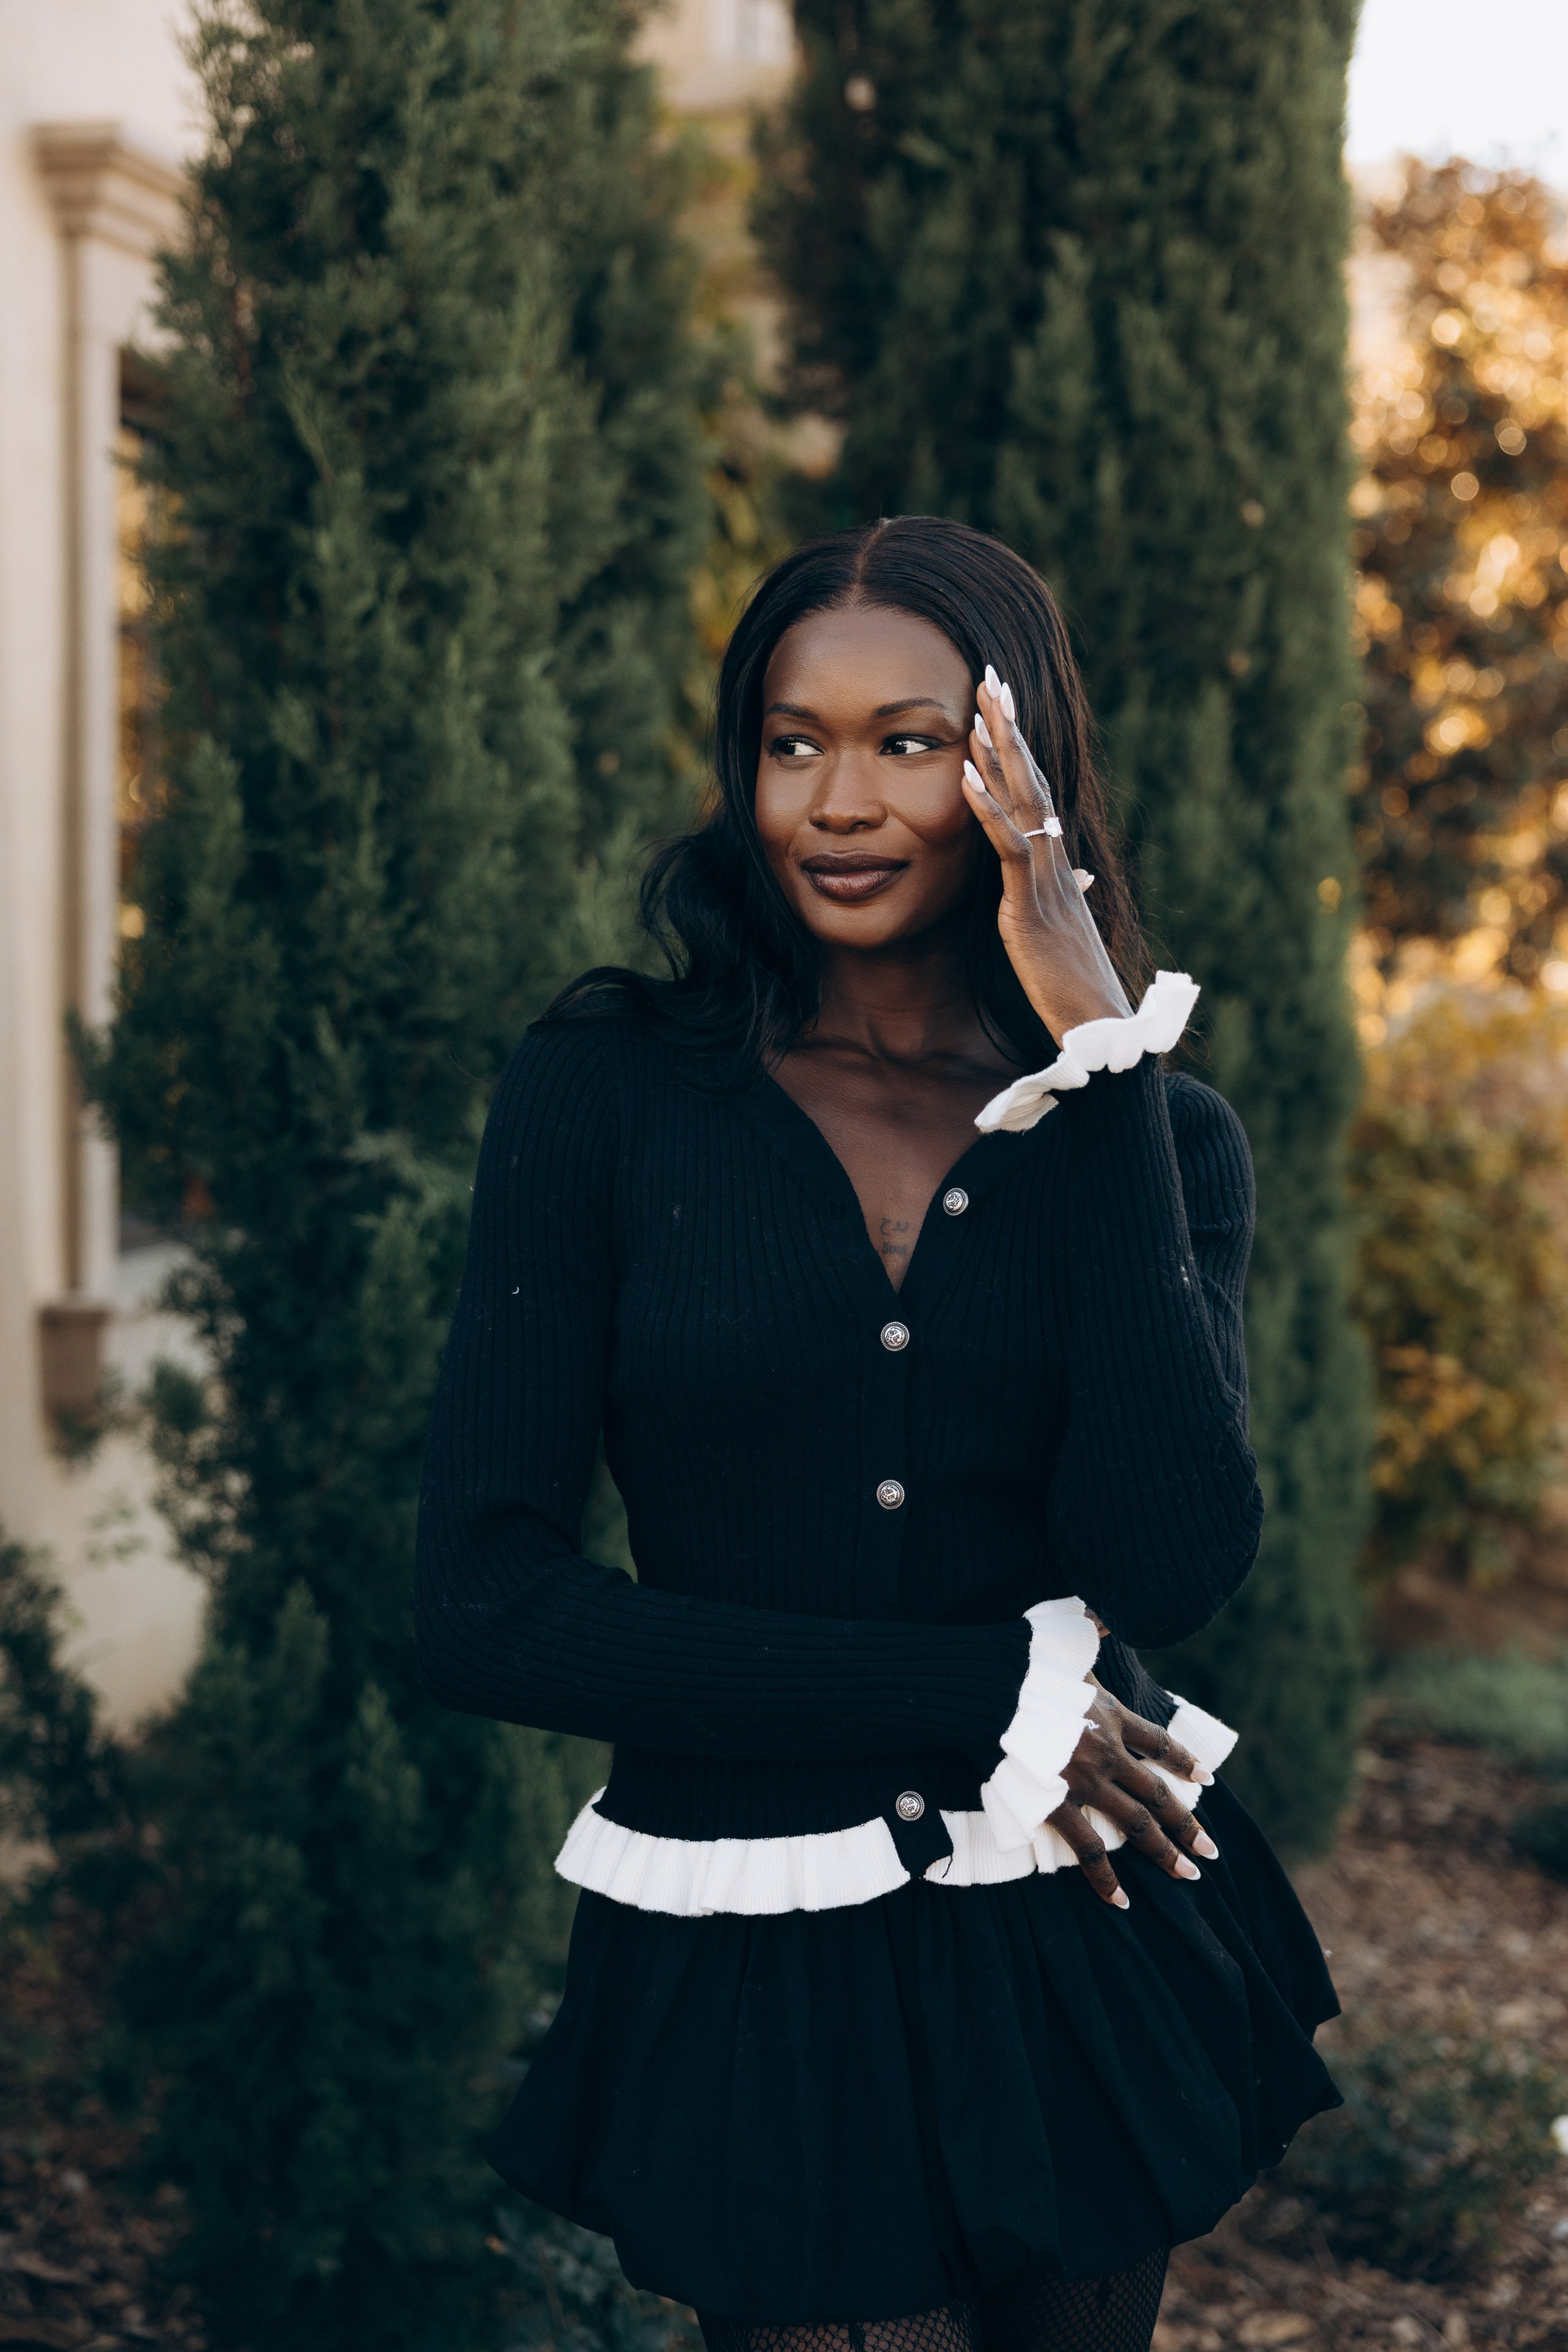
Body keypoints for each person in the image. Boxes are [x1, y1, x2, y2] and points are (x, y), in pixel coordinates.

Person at [414, 517, 1340, 2352]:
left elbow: (1171, 1567)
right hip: (753, 1926)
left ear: (1018, 776)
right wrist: (972, 1696)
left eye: (909, 743)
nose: (837, 802)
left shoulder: (1159, 1135)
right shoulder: (604, 1095)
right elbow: (485, 1606)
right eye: (792, 742)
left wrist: (1102, 1069)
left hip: (1079, 1910)